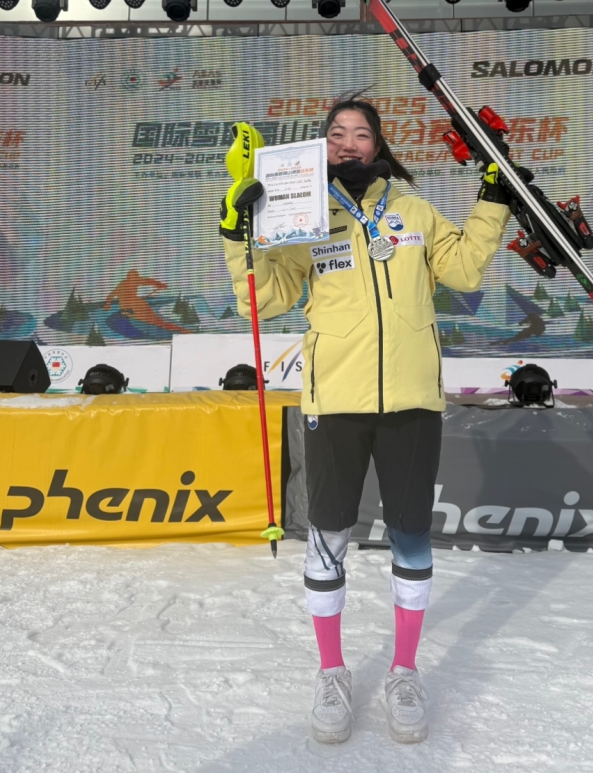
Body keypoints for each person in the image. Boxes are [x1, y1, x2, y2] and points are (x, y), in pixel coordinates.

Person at [220, 96, 511, 744]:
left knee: (410, 534)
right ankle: (331, 672)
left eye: (360, 134)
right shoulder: (300, 216)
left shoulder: (412, 211)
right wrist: (237, 234)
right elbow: (264, 298)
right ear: (321, 146)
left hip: (413, 401)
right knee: (328, 534)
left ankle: (404, 671)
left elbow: (465, 270)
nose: (348, 142)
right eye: (336, 134)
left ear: (378, 146)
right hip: (335, 402)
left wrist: (493, 196)